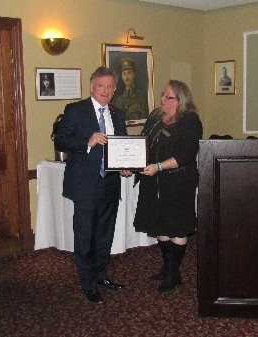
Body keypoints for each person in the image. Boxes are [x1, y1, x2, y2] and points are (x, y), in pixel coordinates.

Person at [54, 67, 131, 304]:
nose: (106, 91)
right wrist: (87, 141)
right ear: (91, 87)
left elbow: (122, 147)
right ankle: (87, 283)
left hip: (110, 184)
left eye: (110, 86)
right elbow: (61, 140)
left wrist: (125, 166)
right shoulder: (76, 110)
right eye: (101, 86)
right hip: (85, 184)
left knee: (104, 235)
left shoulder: (118, 114)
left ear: (115, 89)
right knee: (85, 236)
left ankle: (101, 276)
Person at [133, 80, 203, 292]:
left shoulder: (190, 121)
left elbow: (186, 155)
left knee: (177, 227)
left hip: (178, 183)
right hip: (153, 182)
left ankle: (173, 273)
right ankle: (168, 268)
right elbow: (141, 144)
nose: (162, 99)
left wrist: (159, 167)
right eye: (163, 95)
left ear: (181, 100)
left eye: (168, 97)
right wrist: (129, 164)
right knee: (160, 226)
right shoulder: (155, 118)